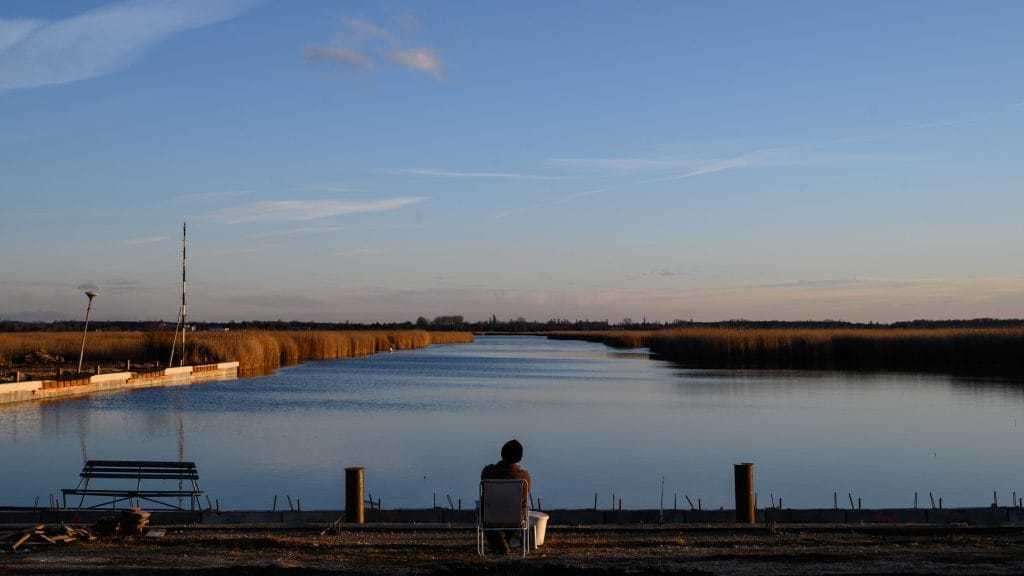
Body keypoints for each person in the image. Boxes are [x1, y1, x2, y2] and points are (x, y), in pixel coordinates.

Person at [480, 439, 532, 553]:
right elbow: (524, 498)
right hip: (515, 518)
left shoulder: (488, 472)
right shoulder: (524, 477)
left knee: (483, 512)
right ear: (519, 458)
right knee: (521, 508)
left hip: (491, 517)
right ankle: (503, 543)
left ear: (502, 453)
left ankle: (499, 543)